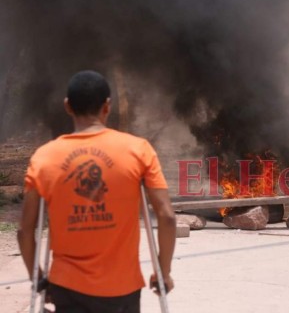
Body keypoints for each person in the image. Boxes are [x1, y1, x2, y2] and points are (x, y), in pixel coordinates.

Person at [18, 70, 176, 312]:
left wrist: (37, 277)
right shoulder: (137, 150)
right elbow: (166, 216)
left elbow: (25, 231)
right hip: (122, 288)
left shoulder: (44, 158)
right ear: (107, 106)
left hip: (67, 288)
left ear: (68, 106)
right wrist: (163, 272)